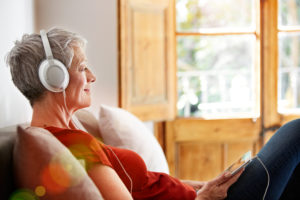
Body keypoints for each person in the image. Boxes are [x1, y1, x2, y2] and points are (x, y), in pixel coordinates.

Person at [5, 27, 300, 200]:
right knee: (296, 132)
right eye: (82, 68)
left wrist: (206, 185)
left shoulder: (71, 132)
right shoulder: (69, 145)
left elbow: (148, 185)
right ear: (54, 79)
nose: (92, 77)